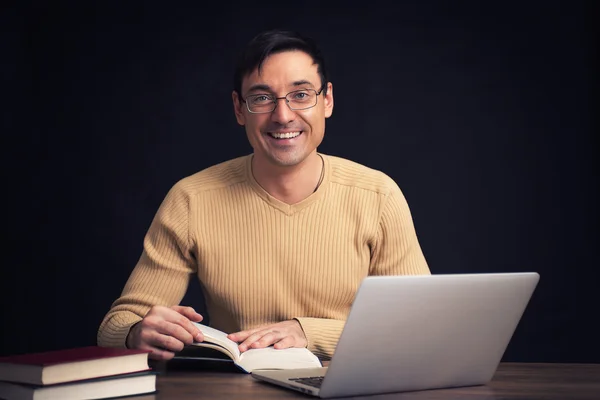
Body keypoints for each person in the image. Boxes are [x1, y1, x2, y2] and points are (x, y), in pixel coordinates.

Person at [97, 29, 430, 361]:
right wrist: (136, 332)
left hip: (349, 385)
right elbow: (116, 326)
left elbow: (422, 325)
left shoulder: (377, 195)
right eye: (261, 98)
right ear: (239, 109)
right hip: (239, 389)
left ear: (327, 100)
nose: (282, 116)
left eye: (301, 95)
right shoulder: (191, 199)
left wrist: (308, 333)